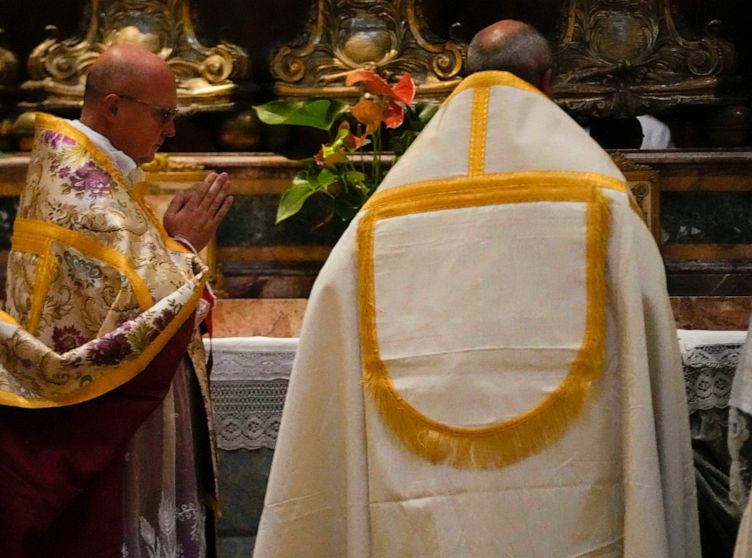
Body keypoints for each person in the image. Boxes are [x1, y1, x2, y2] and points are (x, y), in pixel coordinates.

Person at [254, 20, 699, 557]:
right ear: (549, 80)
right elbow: (645, 322)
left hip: (420, 508)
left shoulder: (386, 210)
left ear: (464, 76)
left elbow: (329, 334)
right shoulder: (599, 194)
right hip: (570, 497)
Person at [0, 43, 233, 557]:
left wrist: (172, 245)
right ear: (112, 106)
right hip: (95, 422)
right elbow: (143, 312)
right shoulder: (86, 194)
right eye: (163, 115)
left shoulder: (85, 174)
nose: (170, 130)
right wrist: (184, 248)